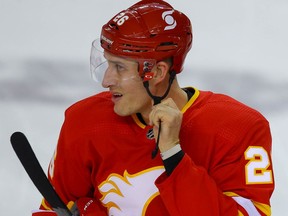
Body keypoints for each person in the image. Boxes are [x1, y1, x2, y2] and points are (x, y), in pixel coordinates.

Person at [32, 0, 274, 215]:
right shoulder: (84, 121)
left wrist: (174, 156)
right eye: (107, 63)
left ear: (157, 72)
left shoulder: (238, 128)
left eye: (119, 68)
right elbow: (52, 210)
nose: (107, 80)